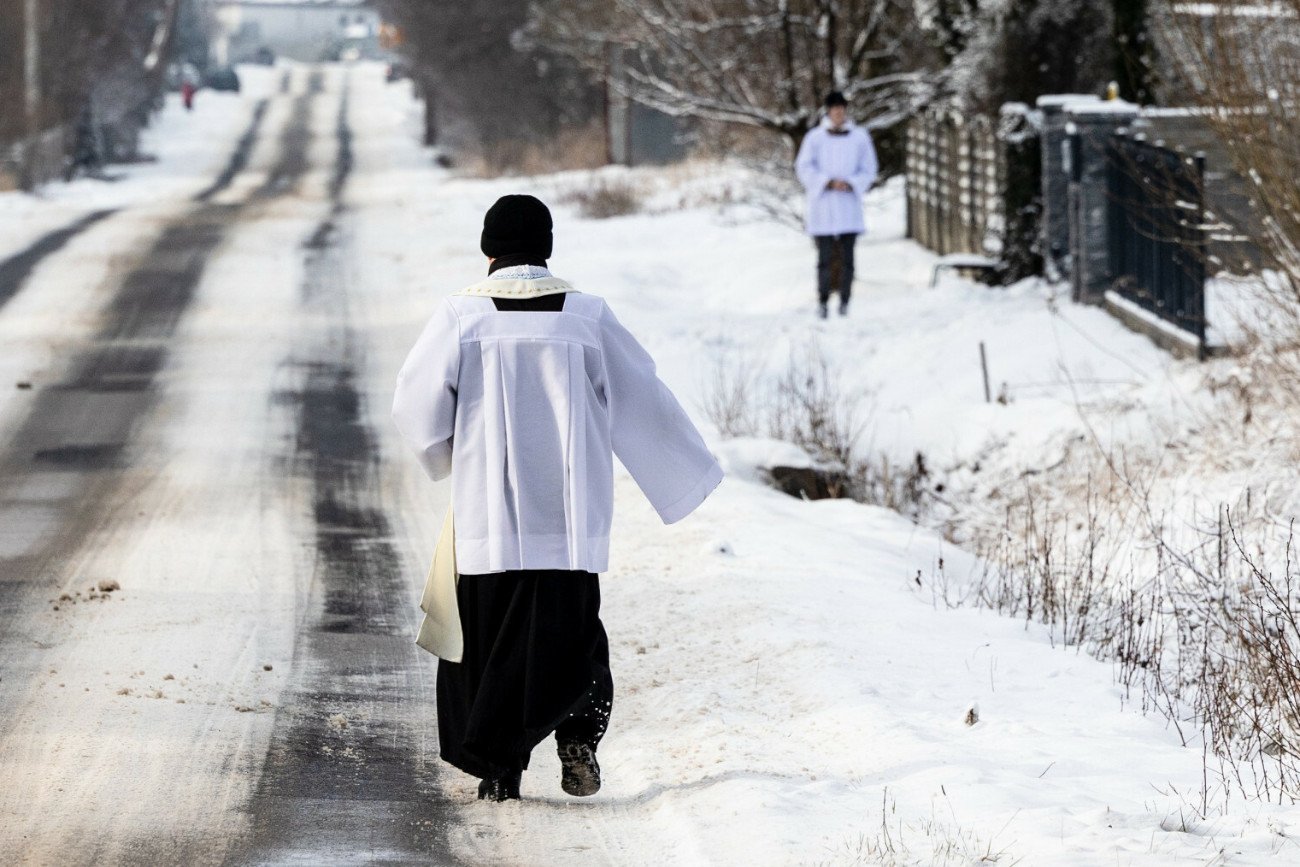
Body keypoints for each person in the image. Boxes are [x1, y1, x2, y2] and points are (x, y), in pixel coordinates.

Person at [392, 195, 724, 802]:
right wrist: (685, 477)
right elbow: (640, 398)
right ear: (547, 248)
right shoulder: (587, 317)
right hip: (570, 524)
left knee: (488, 647)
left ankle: (500, 768)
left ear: (489, 251)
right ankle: (577, 733)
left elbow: (415, 408)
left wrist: (445, 457)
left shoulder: (461, 317)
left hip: (489, 521)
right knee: (571, 637)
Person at [794, 90, 879, 319]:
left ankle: (845, 301)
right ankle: (822, 301)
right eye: (835, 109)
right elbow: (803, 167)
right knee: (824, 259)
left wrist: (851, 183)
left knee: (848, 259)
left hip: (848, 206)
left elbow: (869, 168)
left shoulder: (860, 137)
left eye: (842, 109)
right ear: (829, 111)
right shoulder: (815, 138)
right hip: (823, 206)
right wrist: (827, 182)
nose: (838, 113)